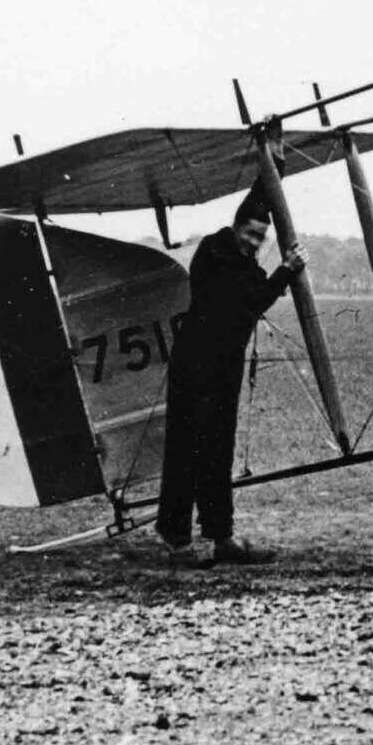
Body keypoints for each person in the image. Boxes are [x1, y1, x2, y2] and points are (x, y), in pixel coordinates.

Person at [156, 191, 306, 567]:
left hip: (223, 367)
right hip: (195, 365)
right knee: (186, 450)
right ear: (236, 226)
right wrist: (286, 270)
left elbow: (254, 292)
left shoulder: (244, 261)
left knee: (218, 449)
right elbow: (250, 301)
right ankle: (175, 539)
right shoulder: (215, 252)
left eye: (260, 238)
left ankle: (221, 536)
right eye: (250, 234)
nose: (253, 243)